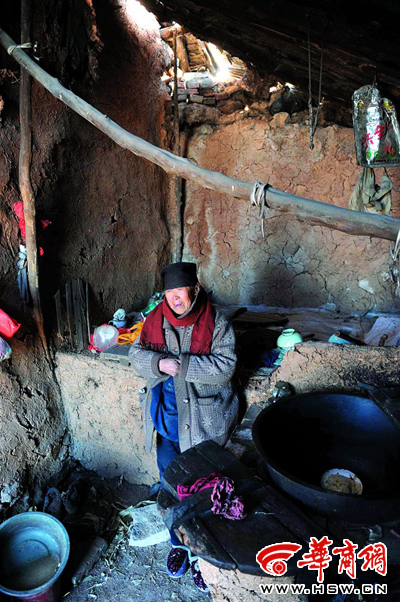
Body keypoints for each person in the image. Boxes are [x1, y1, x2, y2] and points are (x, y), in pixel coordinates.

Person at [129, 261, 238, 592]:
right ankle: (179, 543)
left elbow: (226, 366)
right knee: (171, 485)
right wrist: (158, 362)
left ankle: (204, 556)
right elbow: (135, 354)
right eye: (169, 292)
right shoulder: (155, 319)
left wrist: (184, 366)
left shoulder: (216, 323)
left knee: (204, 489)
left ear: (195, 289)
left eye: (181, 291)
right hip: (166, 422)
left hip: (202, 425)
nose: (175, 298)